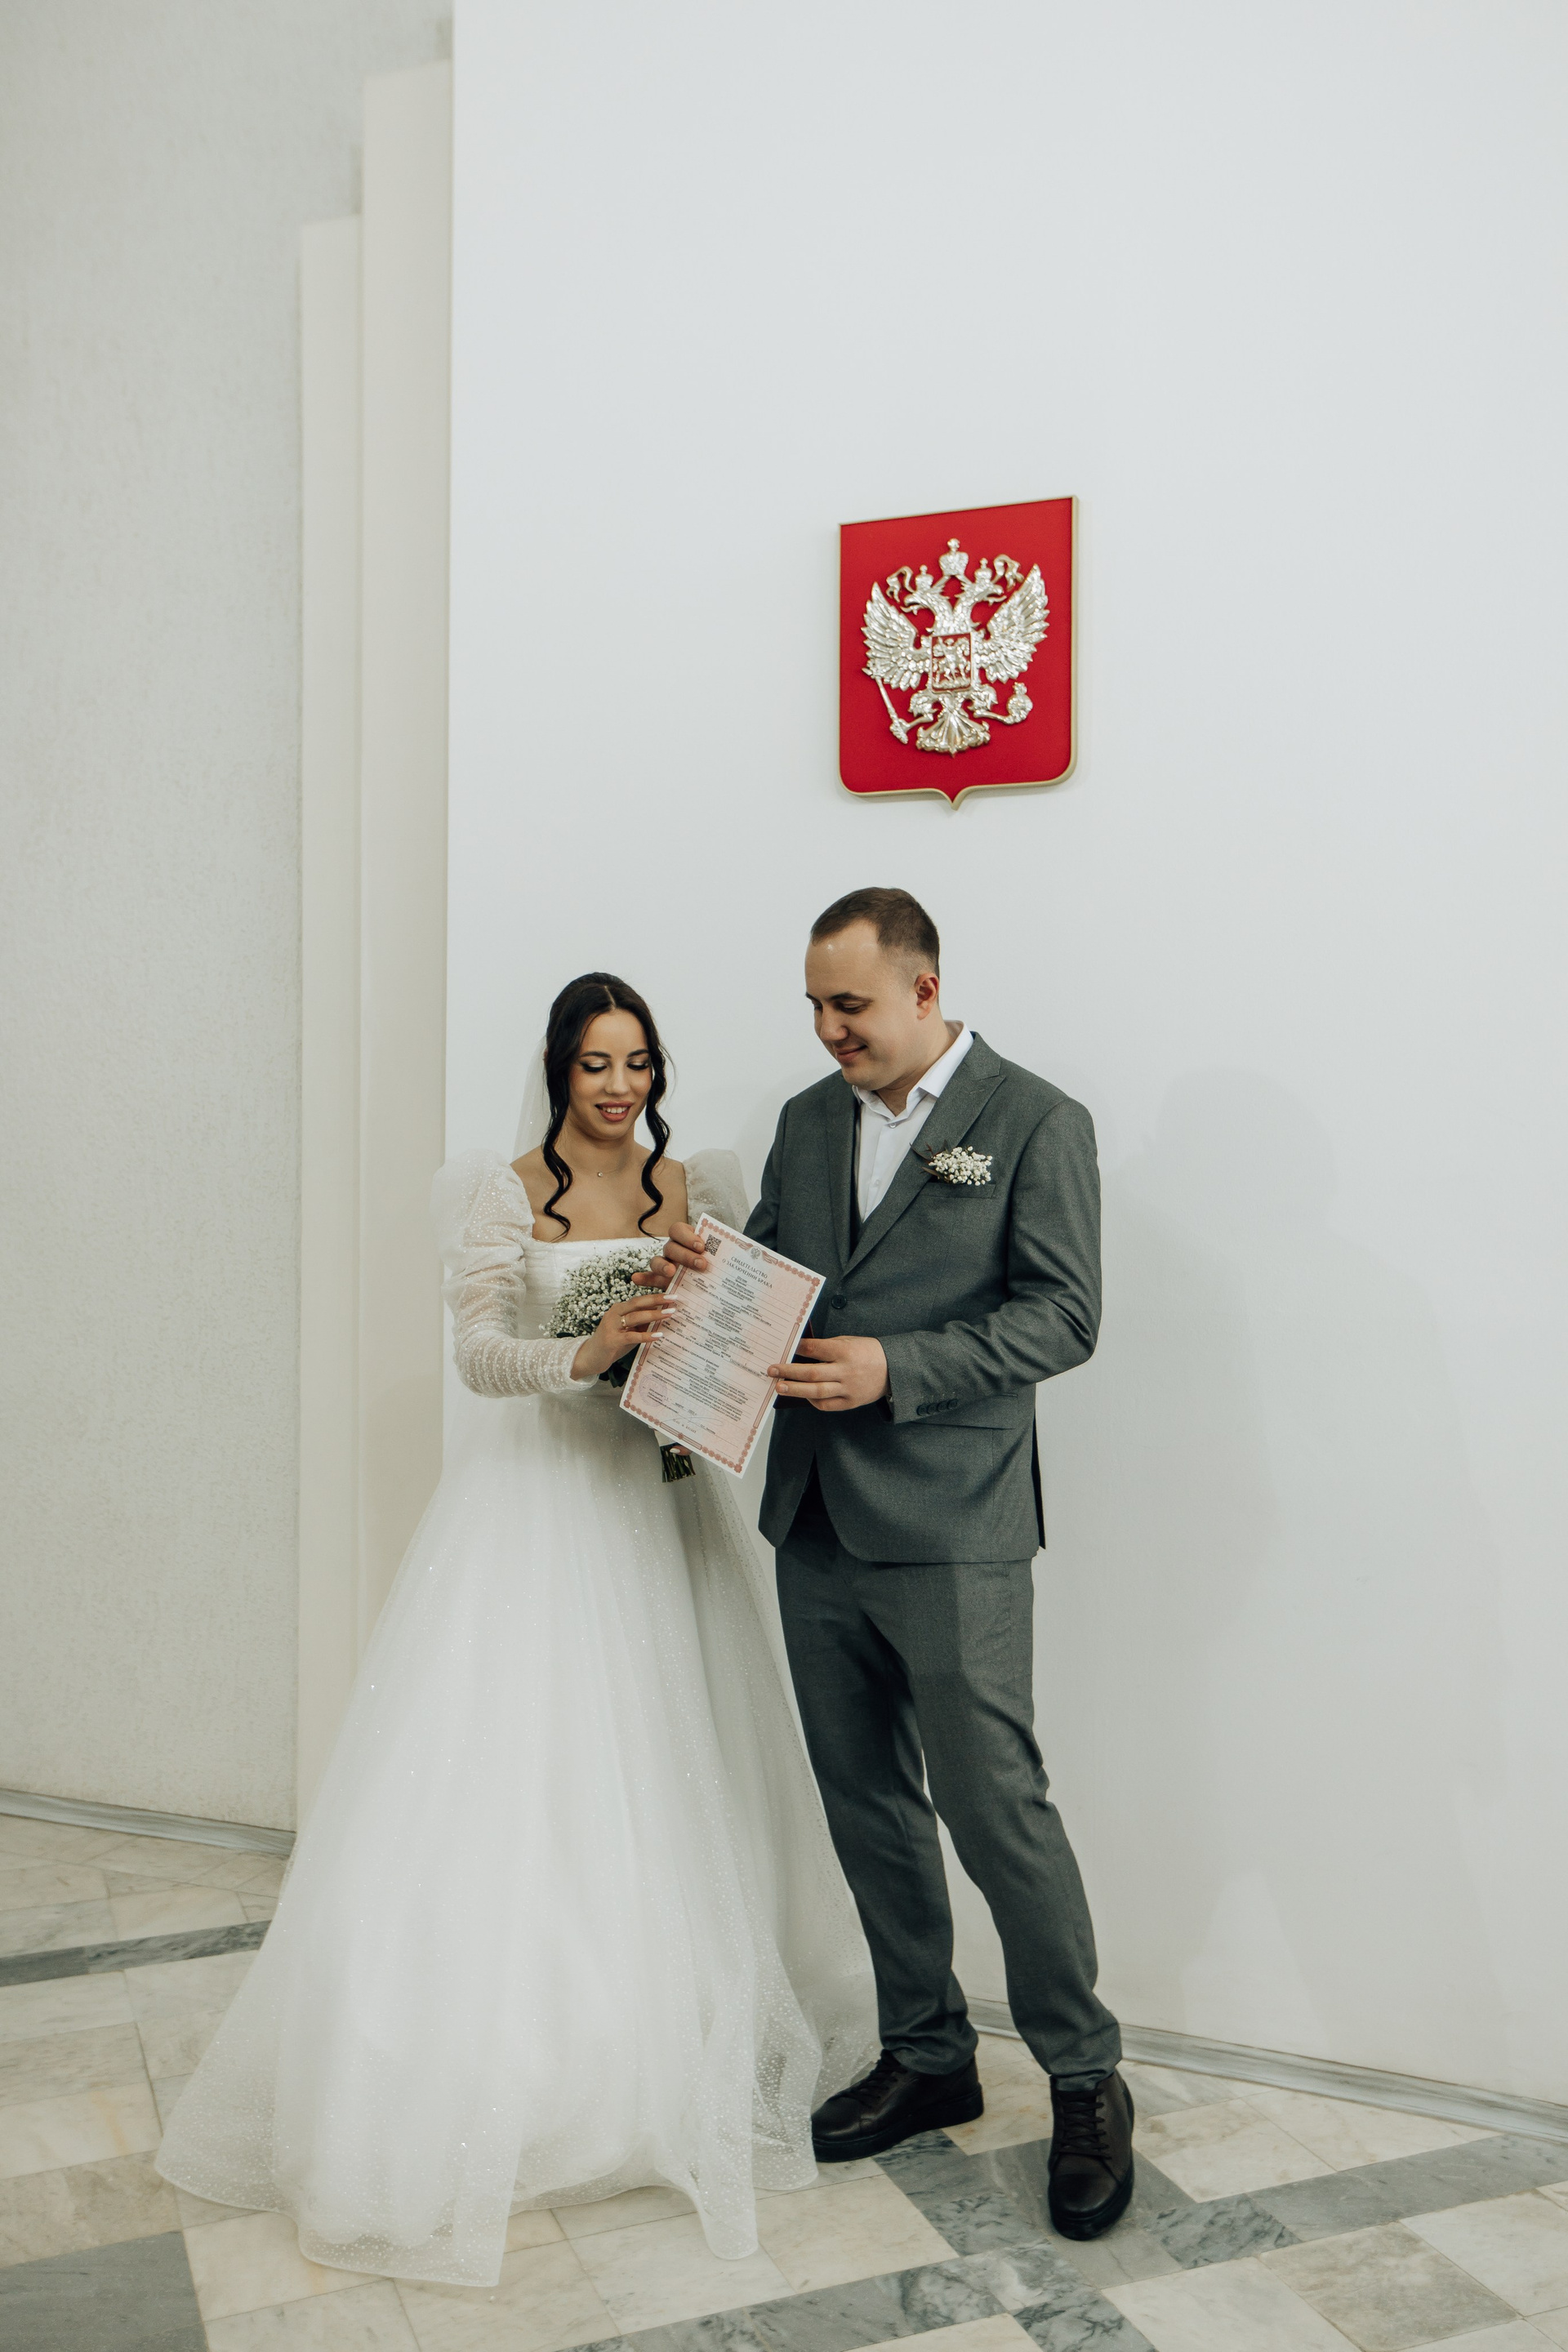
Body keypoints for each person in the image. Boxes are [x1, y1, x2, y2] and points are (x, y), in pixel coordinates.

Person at [154, 973, 876, 2289]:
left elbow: (739, 1332)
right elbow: (480, 1356)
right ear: (558, 1069)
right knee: (530, 1770)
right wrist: (586, 1352)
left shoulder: (697, 1189)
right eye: (596, 1064)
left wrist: (709, 1355)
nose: (620, 1087)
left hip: (661, 1502)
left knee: (679, 1762)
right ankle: (539, 2057)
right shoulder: (503, 1192)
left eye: (638, 1063)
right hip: (543, 1507)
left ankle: (683, 2031)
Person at [648, 892, 1135, 2242]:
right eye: (814, 1004)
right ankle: (927, 2053)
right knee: (864, 1800)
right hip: (814, 1516)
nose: (828, 1029)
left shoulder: (1035, 1121)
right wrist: (709, 1284)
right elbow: (788, 1282)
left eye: (850, 1004)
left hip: (955, 1521)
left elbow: (1067, 1314)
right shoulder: (808, 1122)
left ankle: (1084, 2076)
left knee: (994, 1807)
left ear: (925, 989)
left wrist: (898, 1368)